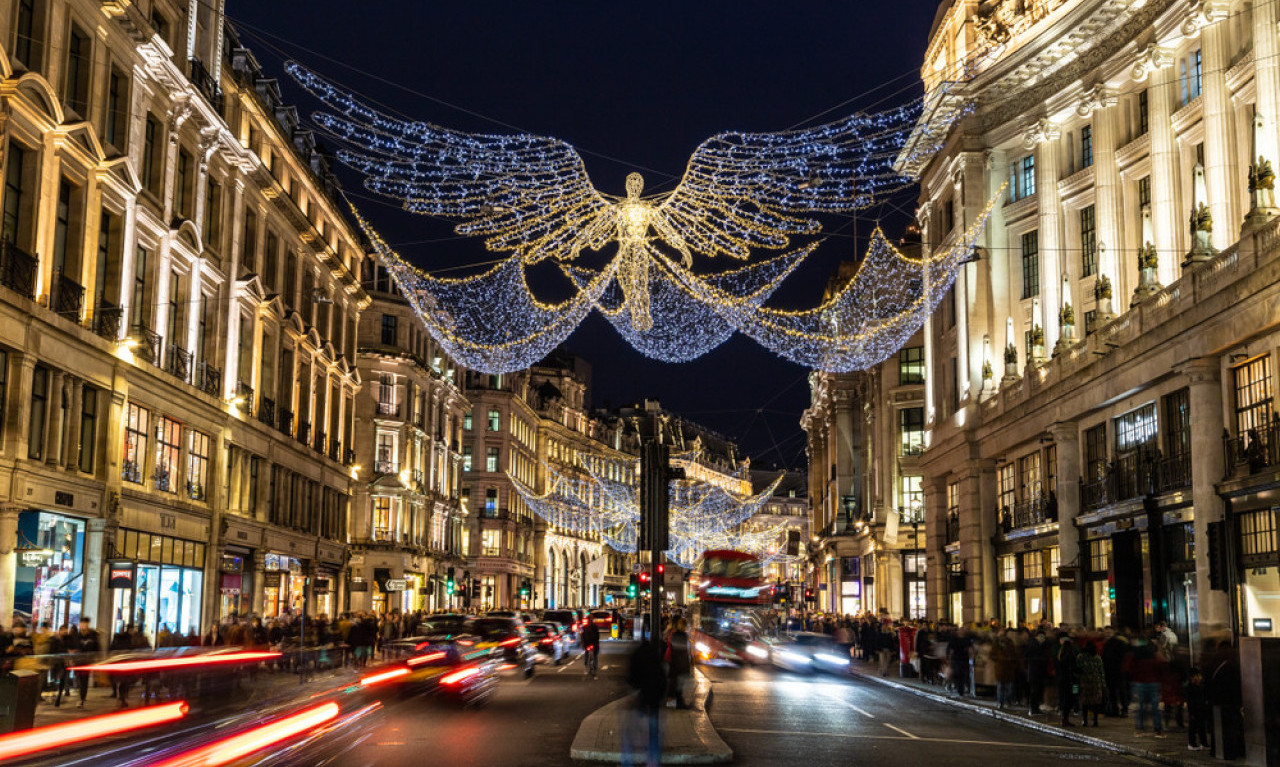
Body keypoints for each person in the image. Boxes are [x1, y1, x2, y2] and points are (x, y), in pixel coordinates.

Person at [623, 641, 666, 767]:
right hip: (654, 699)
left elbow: (631, 677)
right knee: (654, 732)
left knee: (630, 731)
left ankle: (627, 761)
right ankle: (653, 762)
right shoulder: (656, 659)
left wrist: (634, 690)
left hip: (641, 697)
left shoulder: (636, 655)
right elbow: (662, 679)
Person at [1075, 643, 1106, 726]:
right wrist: (1103, 684)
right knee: (1095, 702)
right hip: (1095, 681)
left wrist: (1076, 685)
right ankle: (1095, 721)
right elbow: (1101, 671)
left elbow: (1077, 670)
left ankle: (1085, 721)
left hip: (1084, 681)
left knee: (1084, 702)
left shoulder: (1080, 657)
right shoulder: (1097, 657)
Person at [666, 618, 692, 709]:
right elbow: (682, 651)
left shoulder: (675, 635)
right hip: (680, 664)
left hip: (676, 663)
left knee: (677, 684)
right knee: (678, 685)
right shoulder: (682, 636)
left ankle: (679, 703)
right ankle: (679, 703)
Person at [1184, 667, 1210, 751]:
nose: (1200, 677)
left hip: (1200, 710)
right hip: (1194, 711)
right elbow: (1190, 701)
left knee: (1201, 727)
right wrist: (1191, 712)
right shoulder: (1191, 687)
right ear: (1192, 677)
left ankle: (1204, 743)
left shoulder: (1199, 686)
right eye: (1198, 675)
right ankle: (1192, 743)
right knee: (1193, 727)